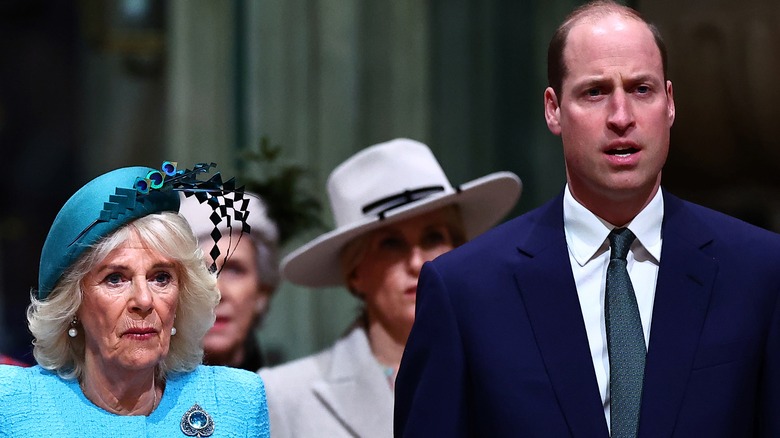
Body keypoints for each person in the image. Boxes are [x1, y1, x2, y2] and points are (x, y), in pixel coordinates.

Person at [394, 2, 780, 437]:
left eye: (641, 89)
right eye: (595, 92)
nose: (621, 117)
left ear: (669, 103)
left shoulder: (760, 272)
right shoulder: (465, 291)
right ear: (553, 109)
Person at [259, 138, 521, 437]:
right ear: (355, 272)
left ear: (459, 250)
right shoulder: (282, 396)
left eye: (433, 237)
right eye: (391, 244)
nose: (418, 262)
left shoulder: (514, 373)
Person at [0, 162, 270, 436]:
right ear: (73, 304)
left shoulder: (237, 402)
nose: (144, 299)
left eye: (161, 277)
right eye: (115, 278)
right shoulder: (14, 404)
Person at [179, 192, 279, 371]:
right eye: (198, 270)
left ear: (262, 292)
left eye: (234, 270)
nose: (216, 292)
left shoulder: (287, 394)